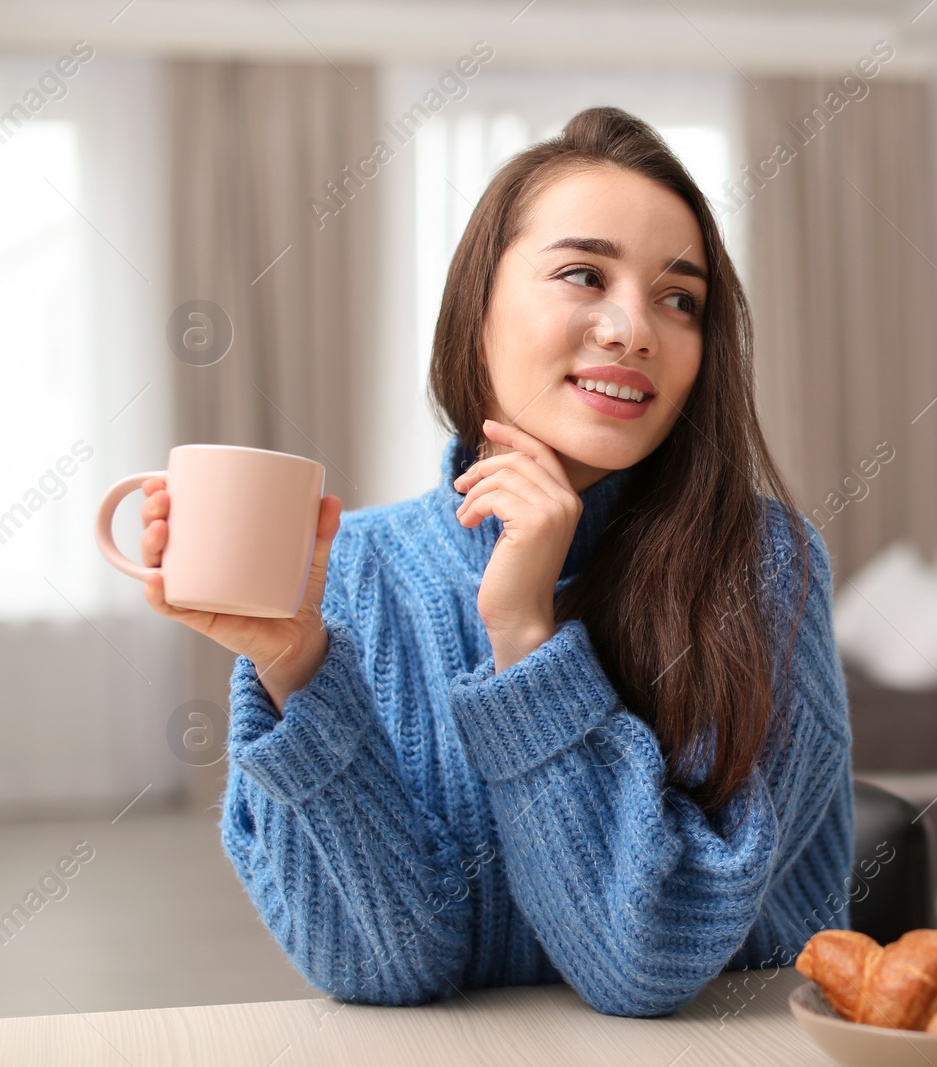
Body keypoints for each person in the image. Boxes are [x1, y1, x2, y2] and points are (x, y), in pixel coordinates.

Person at [134, 106, 854, 1016]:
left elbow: (647, 961)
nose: (635, 328)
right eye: (584, 274)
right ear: (475, 308)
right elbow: (384, 967)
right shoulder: (349, 569)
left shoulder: (765, 565)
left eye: (681, 299)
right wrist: (295, 666)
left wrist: (524, 634)